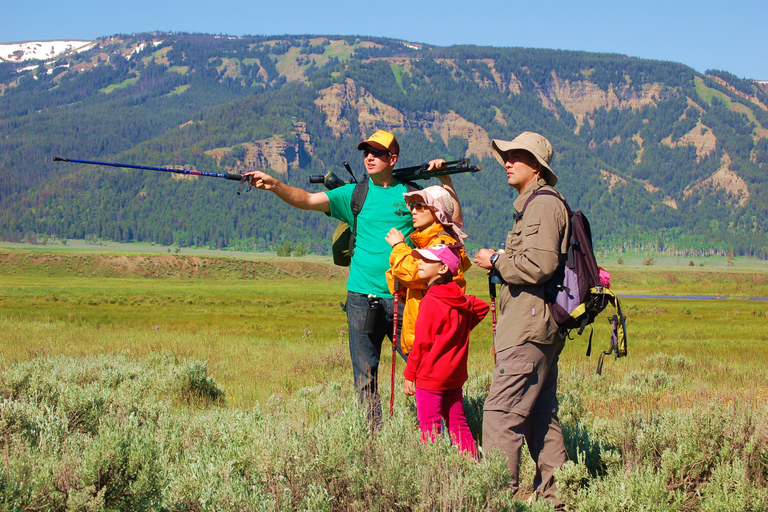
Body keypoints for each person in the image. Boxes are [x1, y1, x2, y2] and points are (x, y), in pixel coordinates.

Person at [244, 129, 457, 427]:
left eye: (377, 153)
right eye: (366, 152)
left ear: (392, 159)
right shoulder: (354, 194)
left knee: (424, 368)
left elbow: (451, 221)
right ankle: (370, 442)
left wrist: (445, 179)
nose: (369, 157)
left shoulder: (412, 195)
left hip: (405, 298)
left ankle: (436, 431)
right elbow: (306, 199)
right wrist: (275, 184)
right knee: (364, 379)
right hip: (360, 298)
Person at [473, 131, 570, 509]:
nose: (508, 161)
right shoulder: (535, 204)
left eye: (517, 156)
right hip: (536, 328)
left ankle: (498, 499)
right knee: (539, 417)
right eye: (508, 155)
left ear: (537, 166)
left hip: (529, 329)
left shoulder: (543, 205)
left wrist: (496, 262)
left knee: (499, 417)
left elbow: (540, 265)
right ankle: (557, 498)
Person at [402, 245, 489, 458]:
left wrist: (409, 375)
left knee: (429, 427)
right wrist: (458, 328)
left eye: (426, 260)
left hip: (430, 376)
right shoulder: (459, 298)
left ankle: (434, 475)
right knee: (458, 424)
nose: (419, 263)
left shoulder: (431, 301)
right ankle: (473, 466)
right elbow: (482, 307)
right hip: (454, 376)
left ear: (442, 269)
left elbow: (421, 344)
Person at [384, 185, 471, 358]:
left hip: (430, 339)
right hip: (425, 335)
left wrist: (398, 247)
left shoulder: (442, 244)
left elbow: (414, 274)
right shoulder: (428, 243)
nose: (413, 211)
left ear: (437, 211)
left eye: (419, 206)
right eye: (412, 206)